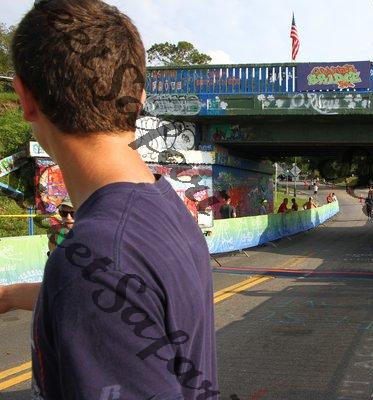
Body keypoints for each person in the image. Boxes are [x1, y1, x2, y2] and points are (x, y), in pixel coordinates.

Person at [10, 1, 218, 398]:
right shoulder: (164, 208)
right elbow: (111, 304)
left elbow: (101, 291)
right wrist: (7, 297)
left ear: (25, 97)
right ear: (139, 97)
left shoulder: (100, 256)